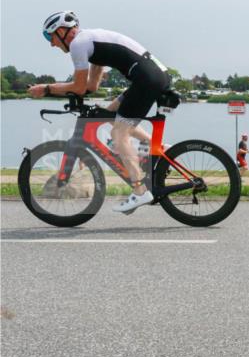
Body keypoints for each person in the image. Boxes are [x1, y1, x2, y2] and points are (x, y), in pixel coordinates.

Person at [28, 11, 171, 213]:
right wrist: (74, 93)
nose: (52, 44)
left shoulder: (78, 44)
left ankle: (140, 191)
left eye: (49, 37)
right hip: (152, 76)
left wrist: (47, 89)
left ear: (60, 31)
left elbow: (78, 87)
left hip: (147, 80)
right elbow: (91, 86)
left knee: (118, 135)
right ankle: (159, 147)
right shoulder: (91, 42)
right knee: (108, 112)